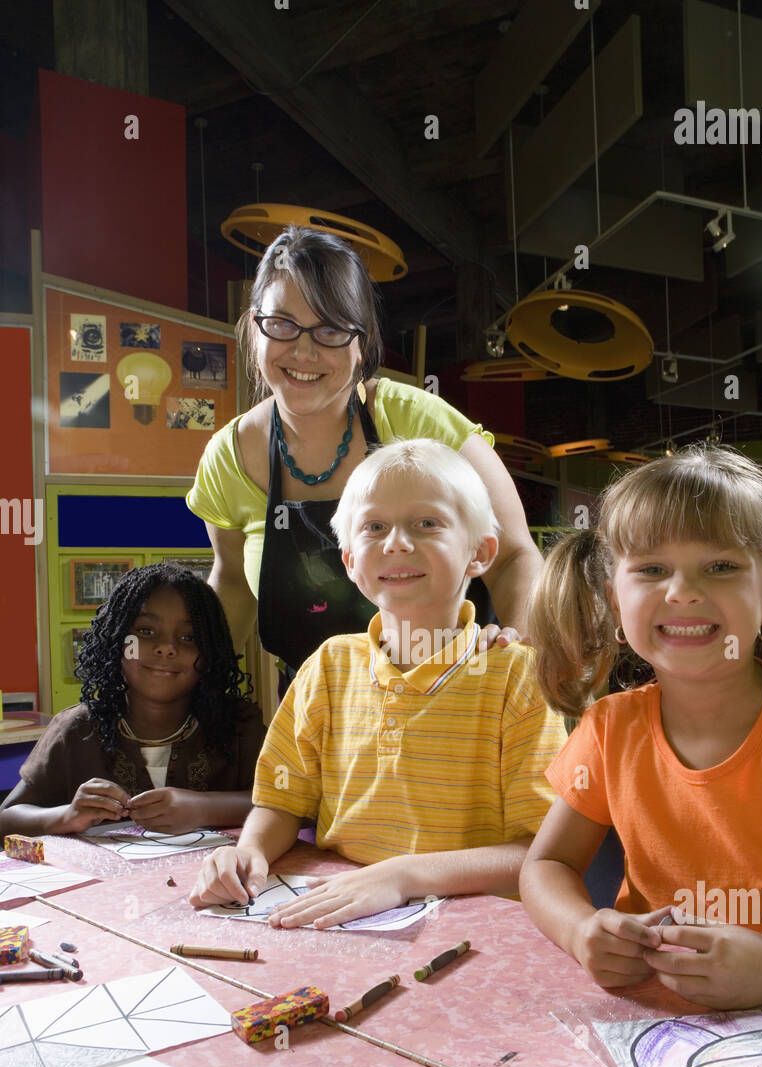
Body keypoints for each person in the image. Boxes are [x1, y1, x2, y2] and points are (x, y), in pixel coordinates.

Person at [519, 445, 762, 1011]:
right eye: (652, 569)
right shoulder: (610, 727)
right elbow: (547, 866)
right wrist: (580, 930)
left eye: (721, 566)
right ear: (614, 597)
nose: (682, 592)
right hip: (642, 1022)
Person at [189, 440, 566, 924]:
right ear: (349, 560)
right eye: (374, 527)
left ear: (480, 553)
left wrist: (401, 875)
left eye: (427, 523)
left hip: (471, 929)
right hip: (337, 911)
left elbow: (537, 853)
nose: (396, 543)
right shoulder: (327, 667)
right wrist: (249, 852)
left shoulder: (515, 676)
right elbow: (282, 802)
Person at [186, 225, 541, 677]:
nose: (303, 350)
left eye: (330, 330)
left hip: (459, 691)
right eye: (281, 324)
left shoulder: (416, 421)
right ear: (254, 327)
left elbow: (514, 556)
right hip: (320, 719)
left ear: (362, 342)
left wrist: (518, 652)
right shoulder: (230, 457)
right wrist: (196, 692)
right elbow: (233, 583)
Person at [0, 564, 265, 837]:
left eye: (188, 637)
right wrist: (67, 815)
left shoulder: (240, 726)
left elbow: (291, 806)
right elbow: (7, 818)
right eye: (146, 631)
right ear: (118, 641)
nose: (167, 647)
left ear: (210, 651)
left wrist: (206, 808)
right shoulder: (76, 729)